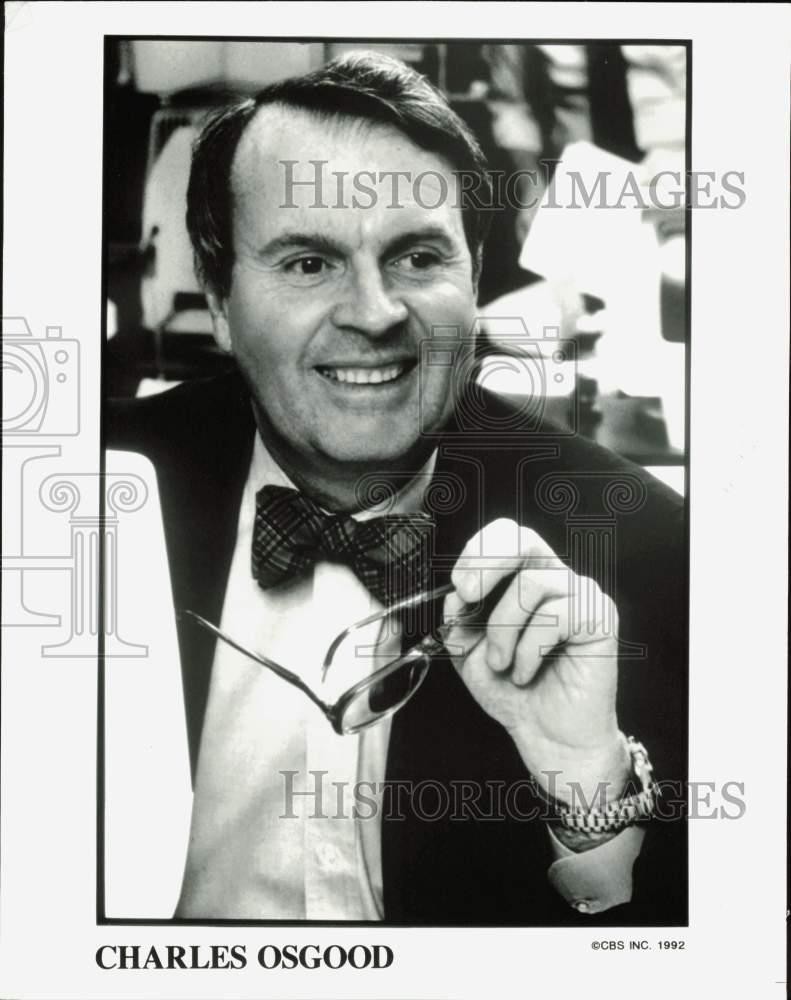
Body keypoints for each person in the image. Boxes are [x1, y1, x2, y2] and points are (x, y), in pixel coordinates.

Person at [108, 51, 687, 924]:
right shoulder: (77, 493)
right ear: (221, 301)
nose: (375, 313)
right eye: (307, 263)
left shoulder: (642, 539)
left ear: (475, 276)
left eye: (418, 256)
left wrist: (588, 785)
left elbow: (703, 944)